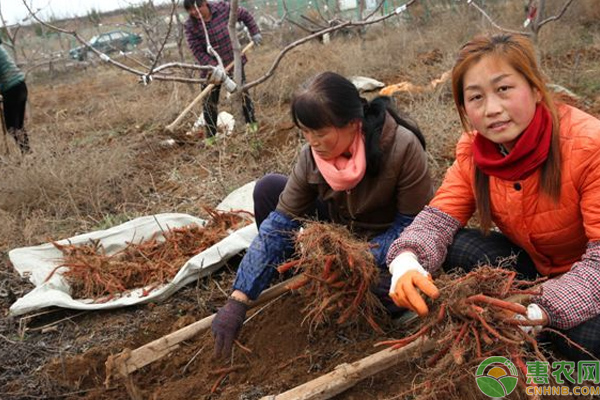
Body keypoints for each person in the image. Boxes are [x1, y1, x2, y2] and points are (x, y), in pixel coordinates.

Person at [386, 33, 600, 360]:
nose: (493, 110)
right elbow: (437, 220)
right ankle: (531, 333)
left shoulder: (588, 145)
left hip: (590, 277)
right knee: (456, 246)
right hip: (542, 270)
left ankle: (541, 335)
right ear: (463, 107)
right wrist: (406, 260)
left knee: (588, 337)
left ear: (535, 89)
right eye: (476, 97)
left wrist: (540, 308)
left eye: (504, 89)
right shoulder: (476, 154)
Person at [211, 71, 434, 358]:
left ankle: (364, 292)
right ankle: (300, 274)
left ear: (353, 123)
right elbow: (279, 223)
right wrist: (239, 298)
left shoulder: (402, 147)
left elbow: (414, 226)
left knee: (389, 291)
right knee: (268, 188)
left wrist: (358, 259)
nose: (312, 141)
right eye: (305, 132)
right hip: (342, 230)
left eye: (320, 132)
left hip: (391, 241)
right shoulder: (311, 157)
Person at [183, 0, 261, 143]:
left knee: (242, 94)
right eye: (190, 10)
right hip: (211, 70)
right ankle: (211, 138)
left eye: (197, 7)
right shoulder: (190, 25)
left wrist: (254, 32)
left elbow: (246, 15)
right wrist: (215, 67)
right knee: (209, 102)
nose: (195, 12)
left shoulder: (223, 8)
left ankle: (252, 125)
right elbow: (197, 51)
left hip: (234, 62)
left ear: (205, 3)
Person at [0, 39, 29, 154]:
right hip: (20, 85)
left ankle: (27, 152)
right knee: (18, 126)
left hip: (12, 89)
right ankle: (27, 153)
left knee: (12, 127)